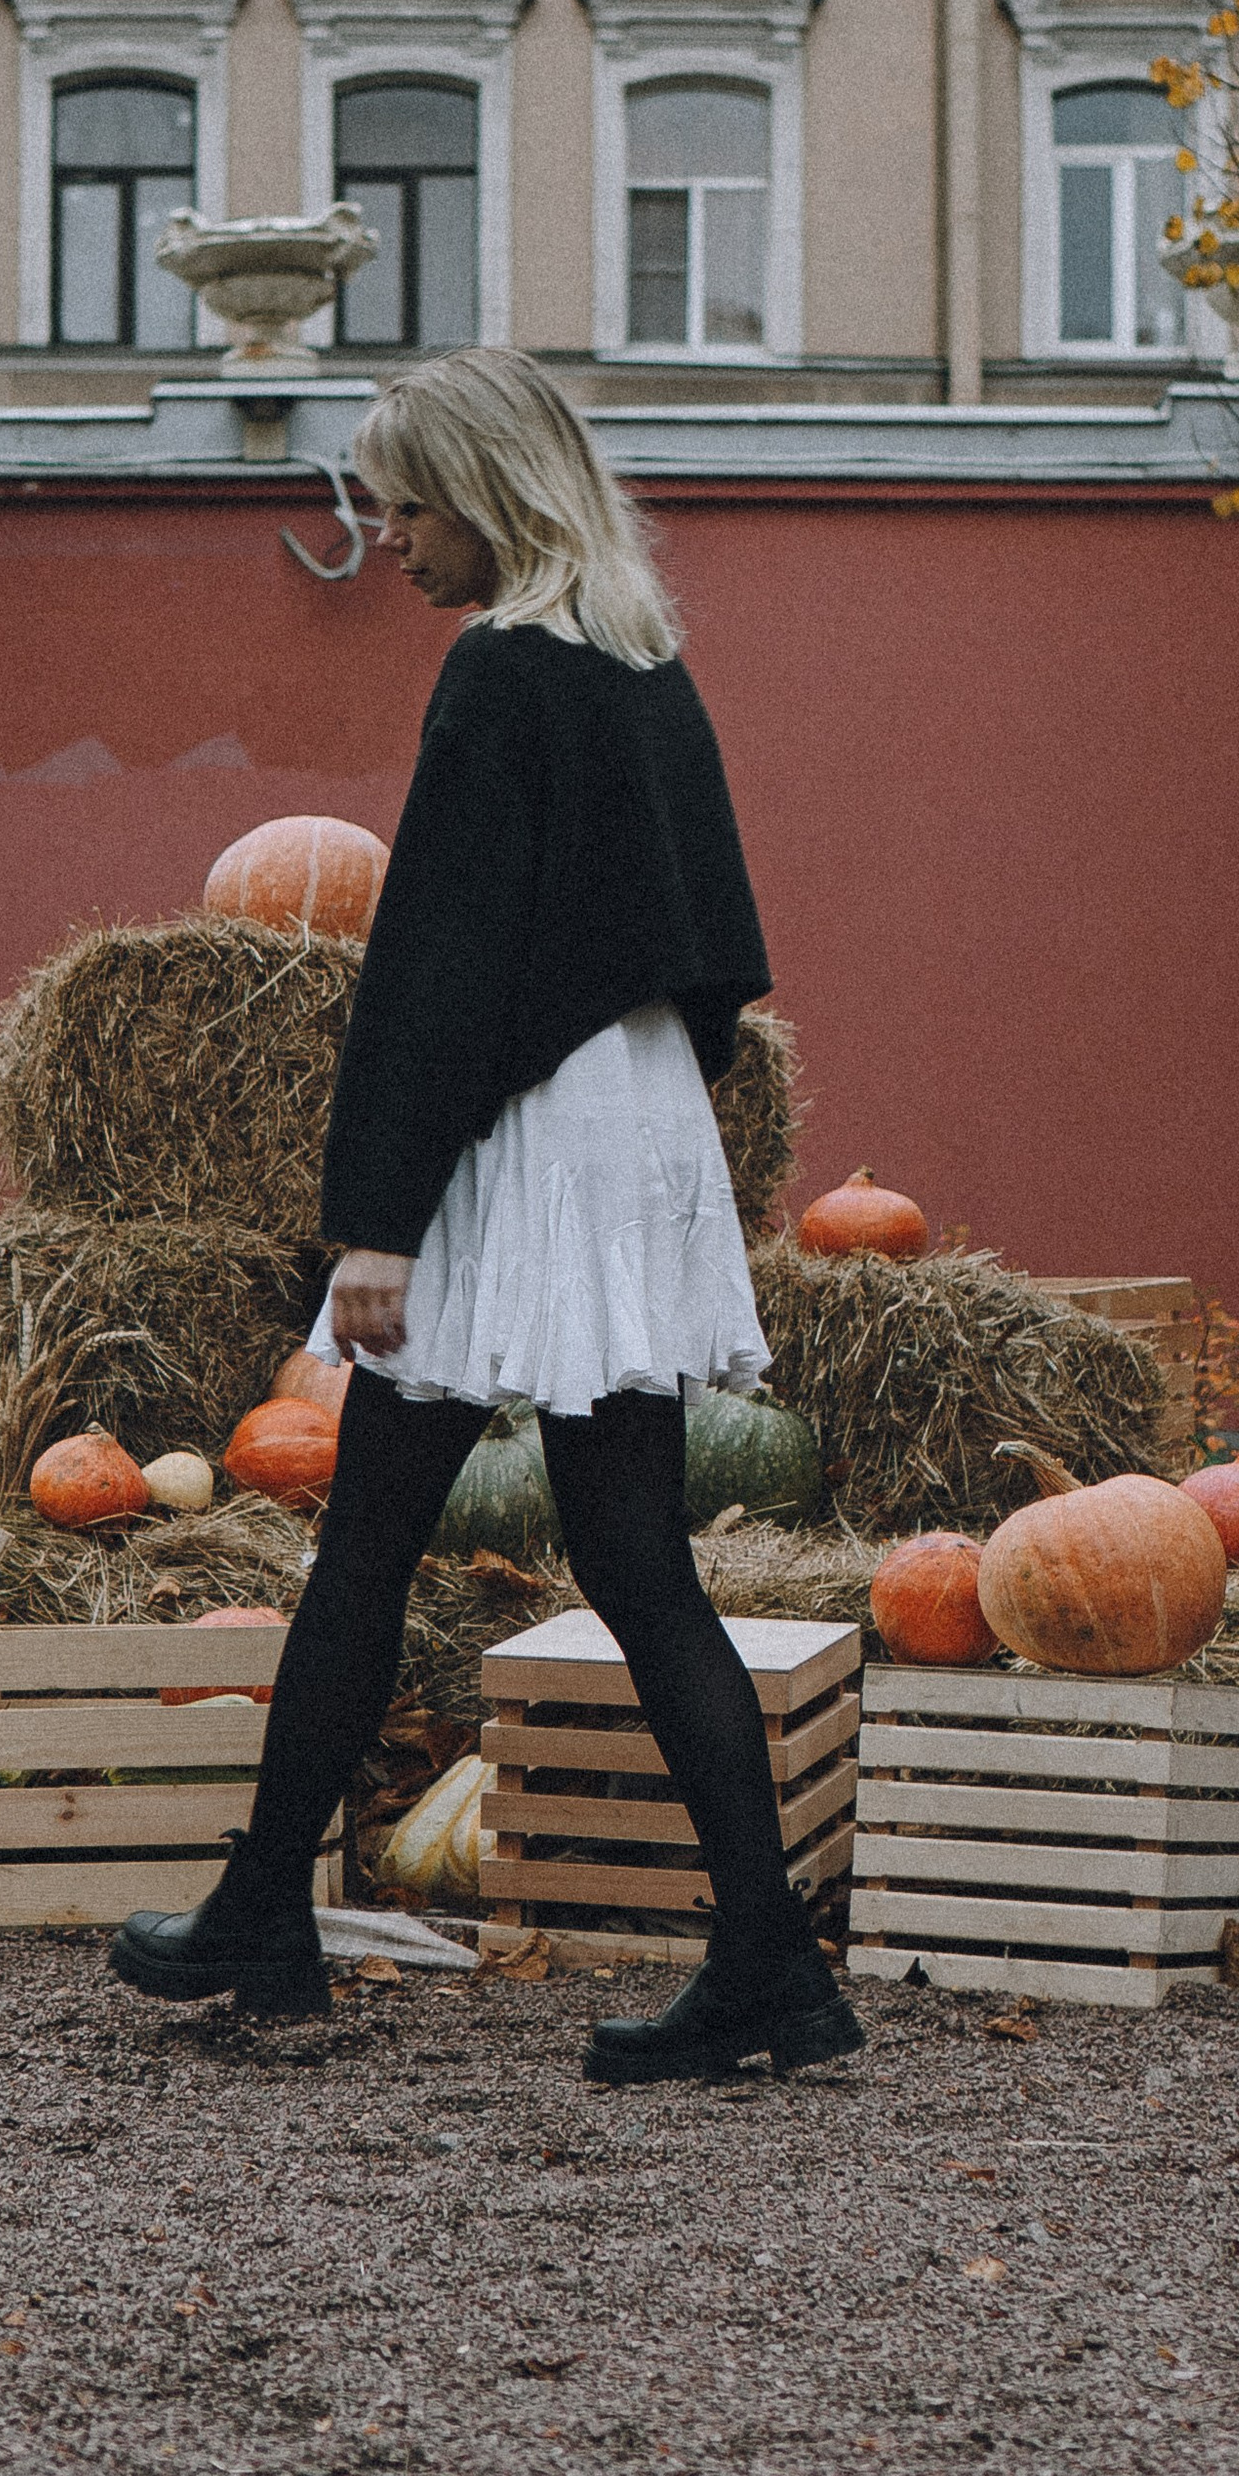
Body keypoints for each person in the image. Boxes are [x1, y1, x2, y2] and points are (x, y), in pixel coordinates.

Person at [109, 346, 862, 2087]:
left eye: (403, 504)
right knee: (639, 1559)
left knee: (369, 1539)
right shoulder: (640, 662)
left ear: (485, 495)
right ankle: (768, 1965)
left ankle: (263, 1917)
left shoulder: (501, 669)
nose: (384, 536)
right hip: (636, 1118)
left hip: (527, 1132)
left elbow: (436, 964)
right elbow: (714, 948)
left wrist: (378, 1217)